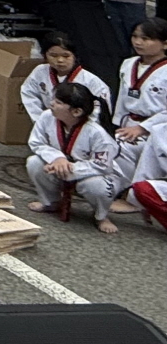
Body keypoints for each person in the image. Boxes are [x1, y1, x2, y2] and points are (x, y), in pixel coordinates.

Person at [25, 83, 120, 234]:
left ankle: (101, 216)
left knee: (98, 186)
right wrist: (57, 159)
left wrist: (70, 168)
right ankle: (51, 202)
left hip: (91, 174)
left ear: (76, 111)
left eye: (59, 102)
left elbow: (102, 166)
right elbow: (36, 142)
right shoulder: (46, 116)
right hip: (59, 164)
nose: (52, 104)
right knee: (34, 162)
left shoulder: (97, 134)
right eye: (54, 100)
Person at [109, 18, 167, 209]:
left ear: (165, 43)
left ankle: (132, 199)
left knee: (123, 150)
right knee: (110, 144)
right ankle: (110, 187)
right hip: (129, 122)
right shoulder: (128, 64)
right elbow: (122, 99)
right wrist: (118, 124)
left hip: (158, 130)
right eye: (135, 36)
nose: (138, 42)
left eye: (146, 38)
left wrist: (143, 128)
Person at [20, 32, 113, 128]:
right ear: (45, 56)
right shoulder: (40, 72)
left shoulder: (91, 81)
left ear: (75, 56)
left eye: (66, 56)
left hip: (81, 129)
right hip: (48, 126)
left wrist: (81, 127)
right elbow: (29, 94)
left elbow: (100, 110)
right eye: (53, 55)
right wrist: (40, 121)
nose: (60, 60)